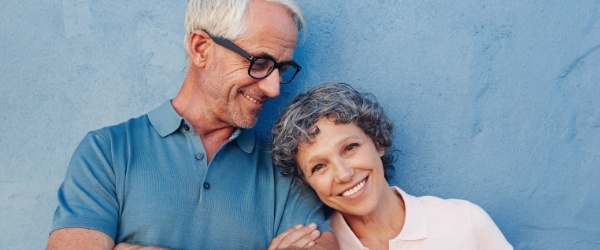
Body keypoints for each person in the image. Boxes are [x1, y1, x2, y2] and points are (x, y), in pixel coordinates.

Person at [47, 0, 338, 249]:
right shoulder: (106, 151)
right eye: (260, 62)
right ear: (201, 48)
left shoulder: (284, 165)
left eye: (281, 68)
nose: (273, 88)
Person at [271, 82, 513, 250]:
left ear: (377, 142)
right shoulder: (318, 246)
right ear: (306, 182)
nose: (344, 174)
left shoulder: (465, 222)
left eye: (350, 148)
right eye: (319, 167)